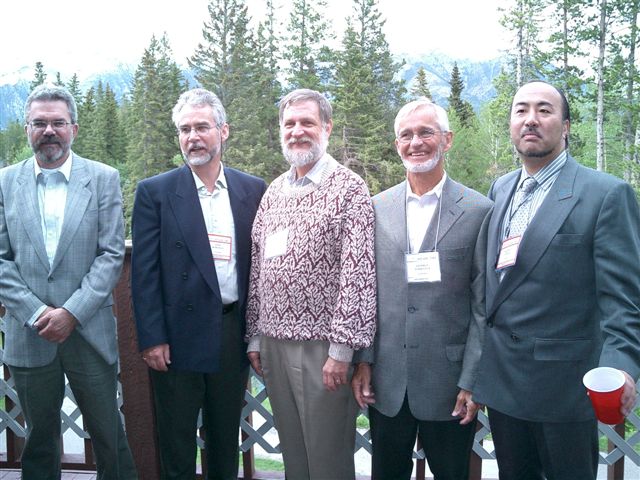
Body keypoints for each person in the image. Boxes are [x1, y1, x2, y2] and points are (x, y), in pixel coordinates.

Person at [473, 80, 640, 479]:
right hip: (503, 386)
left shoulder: (605, 194)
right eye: (521, 110)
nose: (531, 119)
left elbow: (624, 301)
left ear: (565, 125)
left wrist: (621, 368)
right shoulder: (501, 188)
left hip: (563, 389)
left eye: (544, 110)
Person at [0, 84, 137, 479]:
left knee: (110, 435)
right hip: (30, 333)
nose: (49, 131)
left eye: (58, 122)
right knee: (39, 441)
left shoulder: (103, 178)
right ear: (27, 129)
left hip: (89, 331)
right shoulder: (6, 182)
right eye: (39, 123)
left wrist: (71, 313)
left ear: (73, 128)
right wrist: (38, 312)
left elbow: (111, 254)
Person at [351, 99, 492, 480]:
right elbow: (364, 291)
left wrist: (472, 379)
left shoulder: (479, 210)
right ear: (397, 144)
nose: (416, 142)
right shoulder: (376, 208)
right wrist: (363, 360)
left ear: (447, 139)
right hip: (387, 383)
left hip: (449, 386)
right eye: (406, 135)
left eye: (426, 132)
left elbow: (482, 304)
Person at [131, 88, 266, 480]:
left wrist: (256, 333)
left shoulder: (252, 189)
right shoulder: (155, 192)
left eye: (202, 127)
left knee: (226, 435)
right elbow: (144, 273)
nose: (193, 137)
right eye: (185, 129)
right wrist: (152, 338)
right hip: (176, 337)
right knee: (176, 439)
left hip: (230, 331)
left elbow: (258, 267)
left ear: (223, 131)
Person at [245, 88, 377, 479]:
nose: (297, 131)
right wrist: (255, 335)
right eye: (290, 124)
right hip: (273, 345)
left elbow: (359, 273)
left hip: (323, 350)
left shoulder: (349, 189)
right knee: (294, 457)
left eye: (307, 122)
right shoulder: (273, 193)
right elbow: (257, 268)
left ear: (327, 128)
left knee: (327, 459)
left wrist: (342, 350)